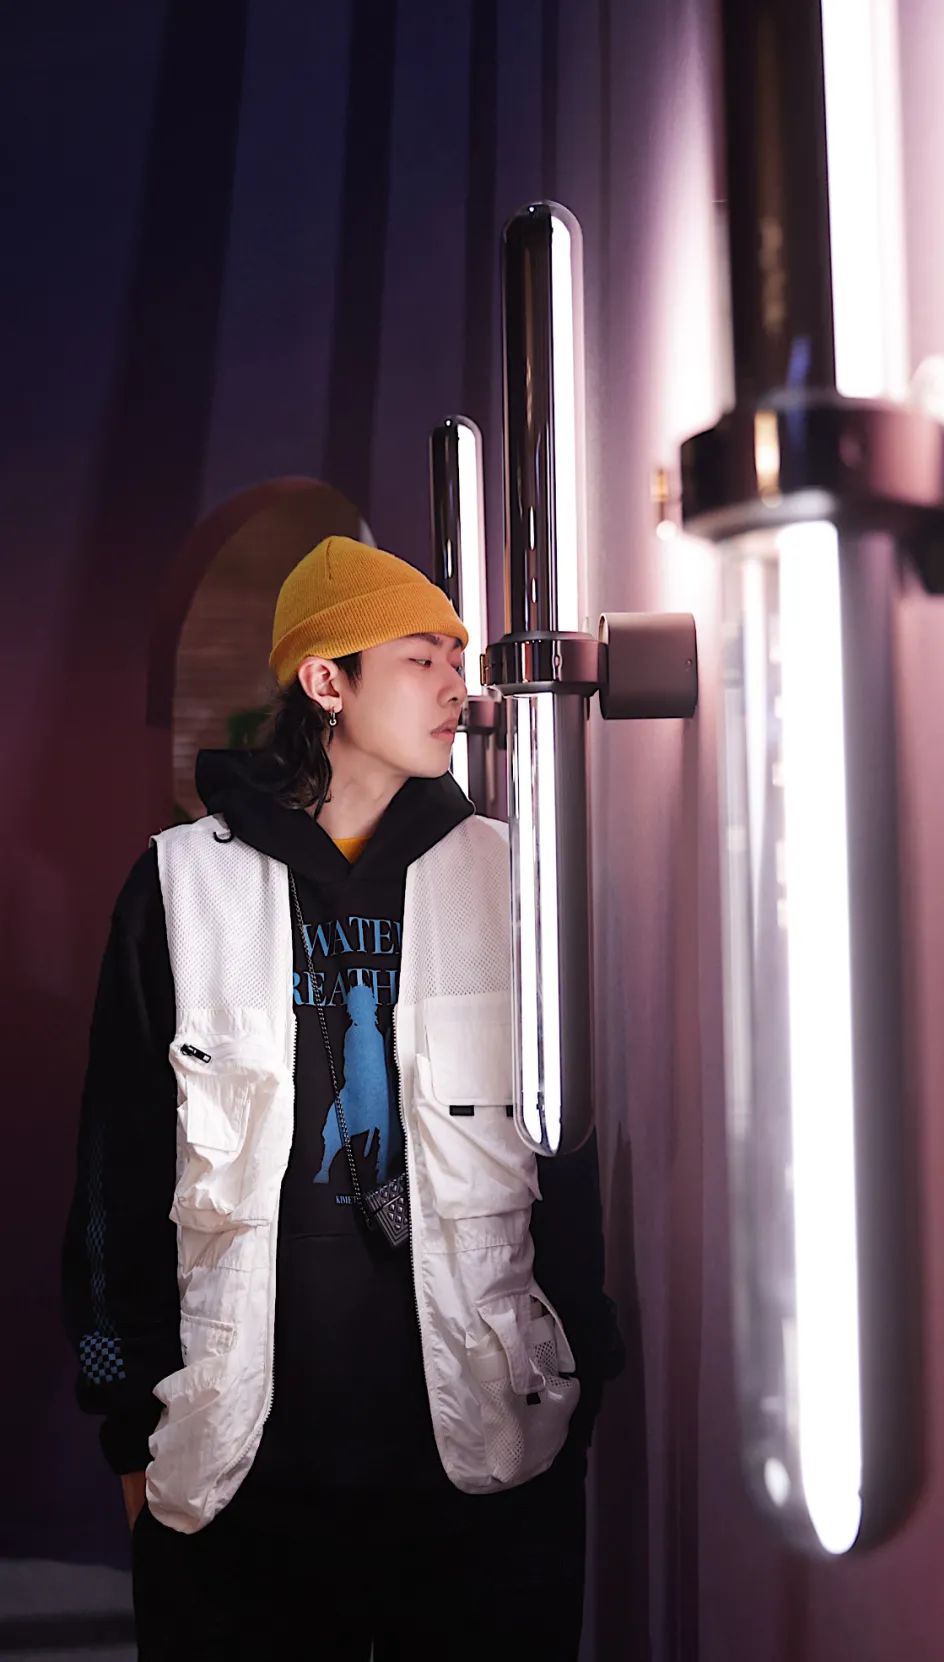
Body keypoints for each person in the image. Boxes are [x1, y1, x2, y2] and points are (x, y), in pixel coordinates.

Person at [62, 536, 622, 1660]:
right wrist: (130, 1434)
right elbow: (116, 1172)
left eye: (457, 658)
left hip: (481, 1460)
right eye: (421, 658)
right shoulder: (183, 883)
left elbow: (568, 1164)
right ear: (328, 681)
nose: (457, 686)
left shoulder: (509, 874)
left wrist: (582, 1390)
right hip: (240, 1467)